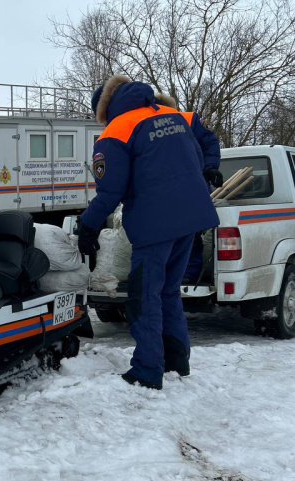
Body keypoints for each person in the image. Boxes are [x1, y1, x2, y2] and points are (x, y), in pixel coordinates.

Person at [77, 75, 219, 390]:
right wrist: (209, 167)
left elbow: (110, 191)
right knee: (168, 291)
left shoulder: (115, 132)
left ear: (104, 109)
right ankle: (176, 361)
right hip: (192, 217)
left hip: (155, 223)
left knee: (144, 296)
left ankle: (147, 370)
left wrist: (88, 225)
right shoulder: (175, 116)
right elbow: (209, 138)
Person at [155, 92, 223, 283]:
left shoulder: (186, 119)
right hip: (167, 188)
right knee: (176, 232)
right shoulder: (145, 124)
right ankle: (180, 272)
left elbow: (209, 142)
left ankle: (187, 273)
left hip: (188, 187)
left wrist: (210, 167)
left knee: (188, 231)